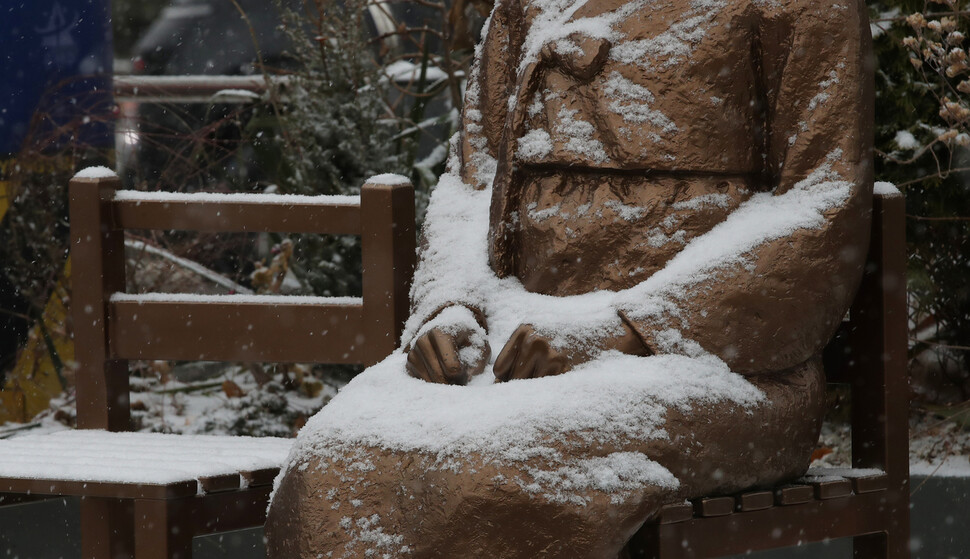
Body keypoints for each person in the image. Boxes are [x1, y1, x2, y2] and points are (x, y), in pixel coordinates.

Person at [267, 0, 873, 556]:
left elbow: (820, 200)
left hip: (717, 367)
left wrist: (623, 330)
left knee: (500, 472)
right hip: (507, 352)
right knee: (333, 462)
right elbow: (473, 185)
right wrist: (454, 308)